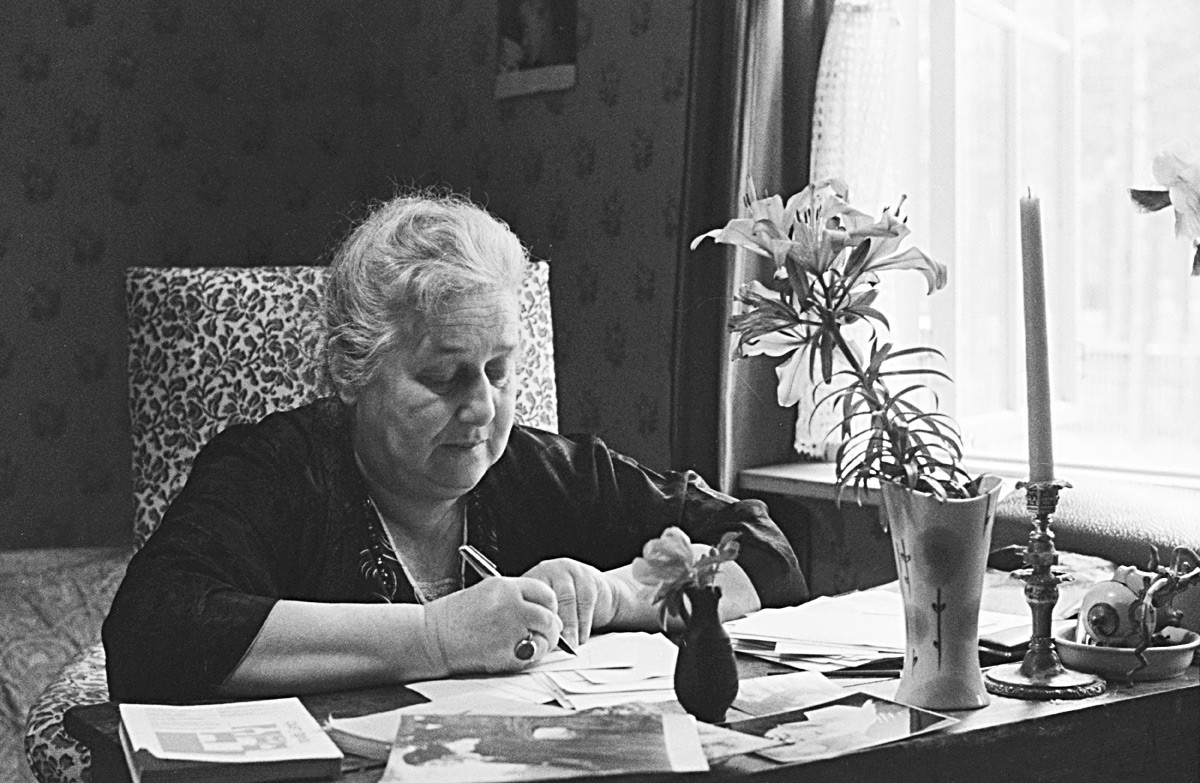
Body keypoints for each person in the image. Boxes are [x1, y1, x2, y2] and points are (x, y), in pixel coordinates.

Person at [102, 192, 808, 704]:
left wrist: (616, 591)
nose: (482, 408)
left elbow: (765, 552)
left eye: (498, 370)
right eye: (443, 376)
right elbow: (151, 633)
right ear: (355, 371)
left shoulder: (538, 469)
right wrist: (436, 636)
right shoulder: (273, 471)